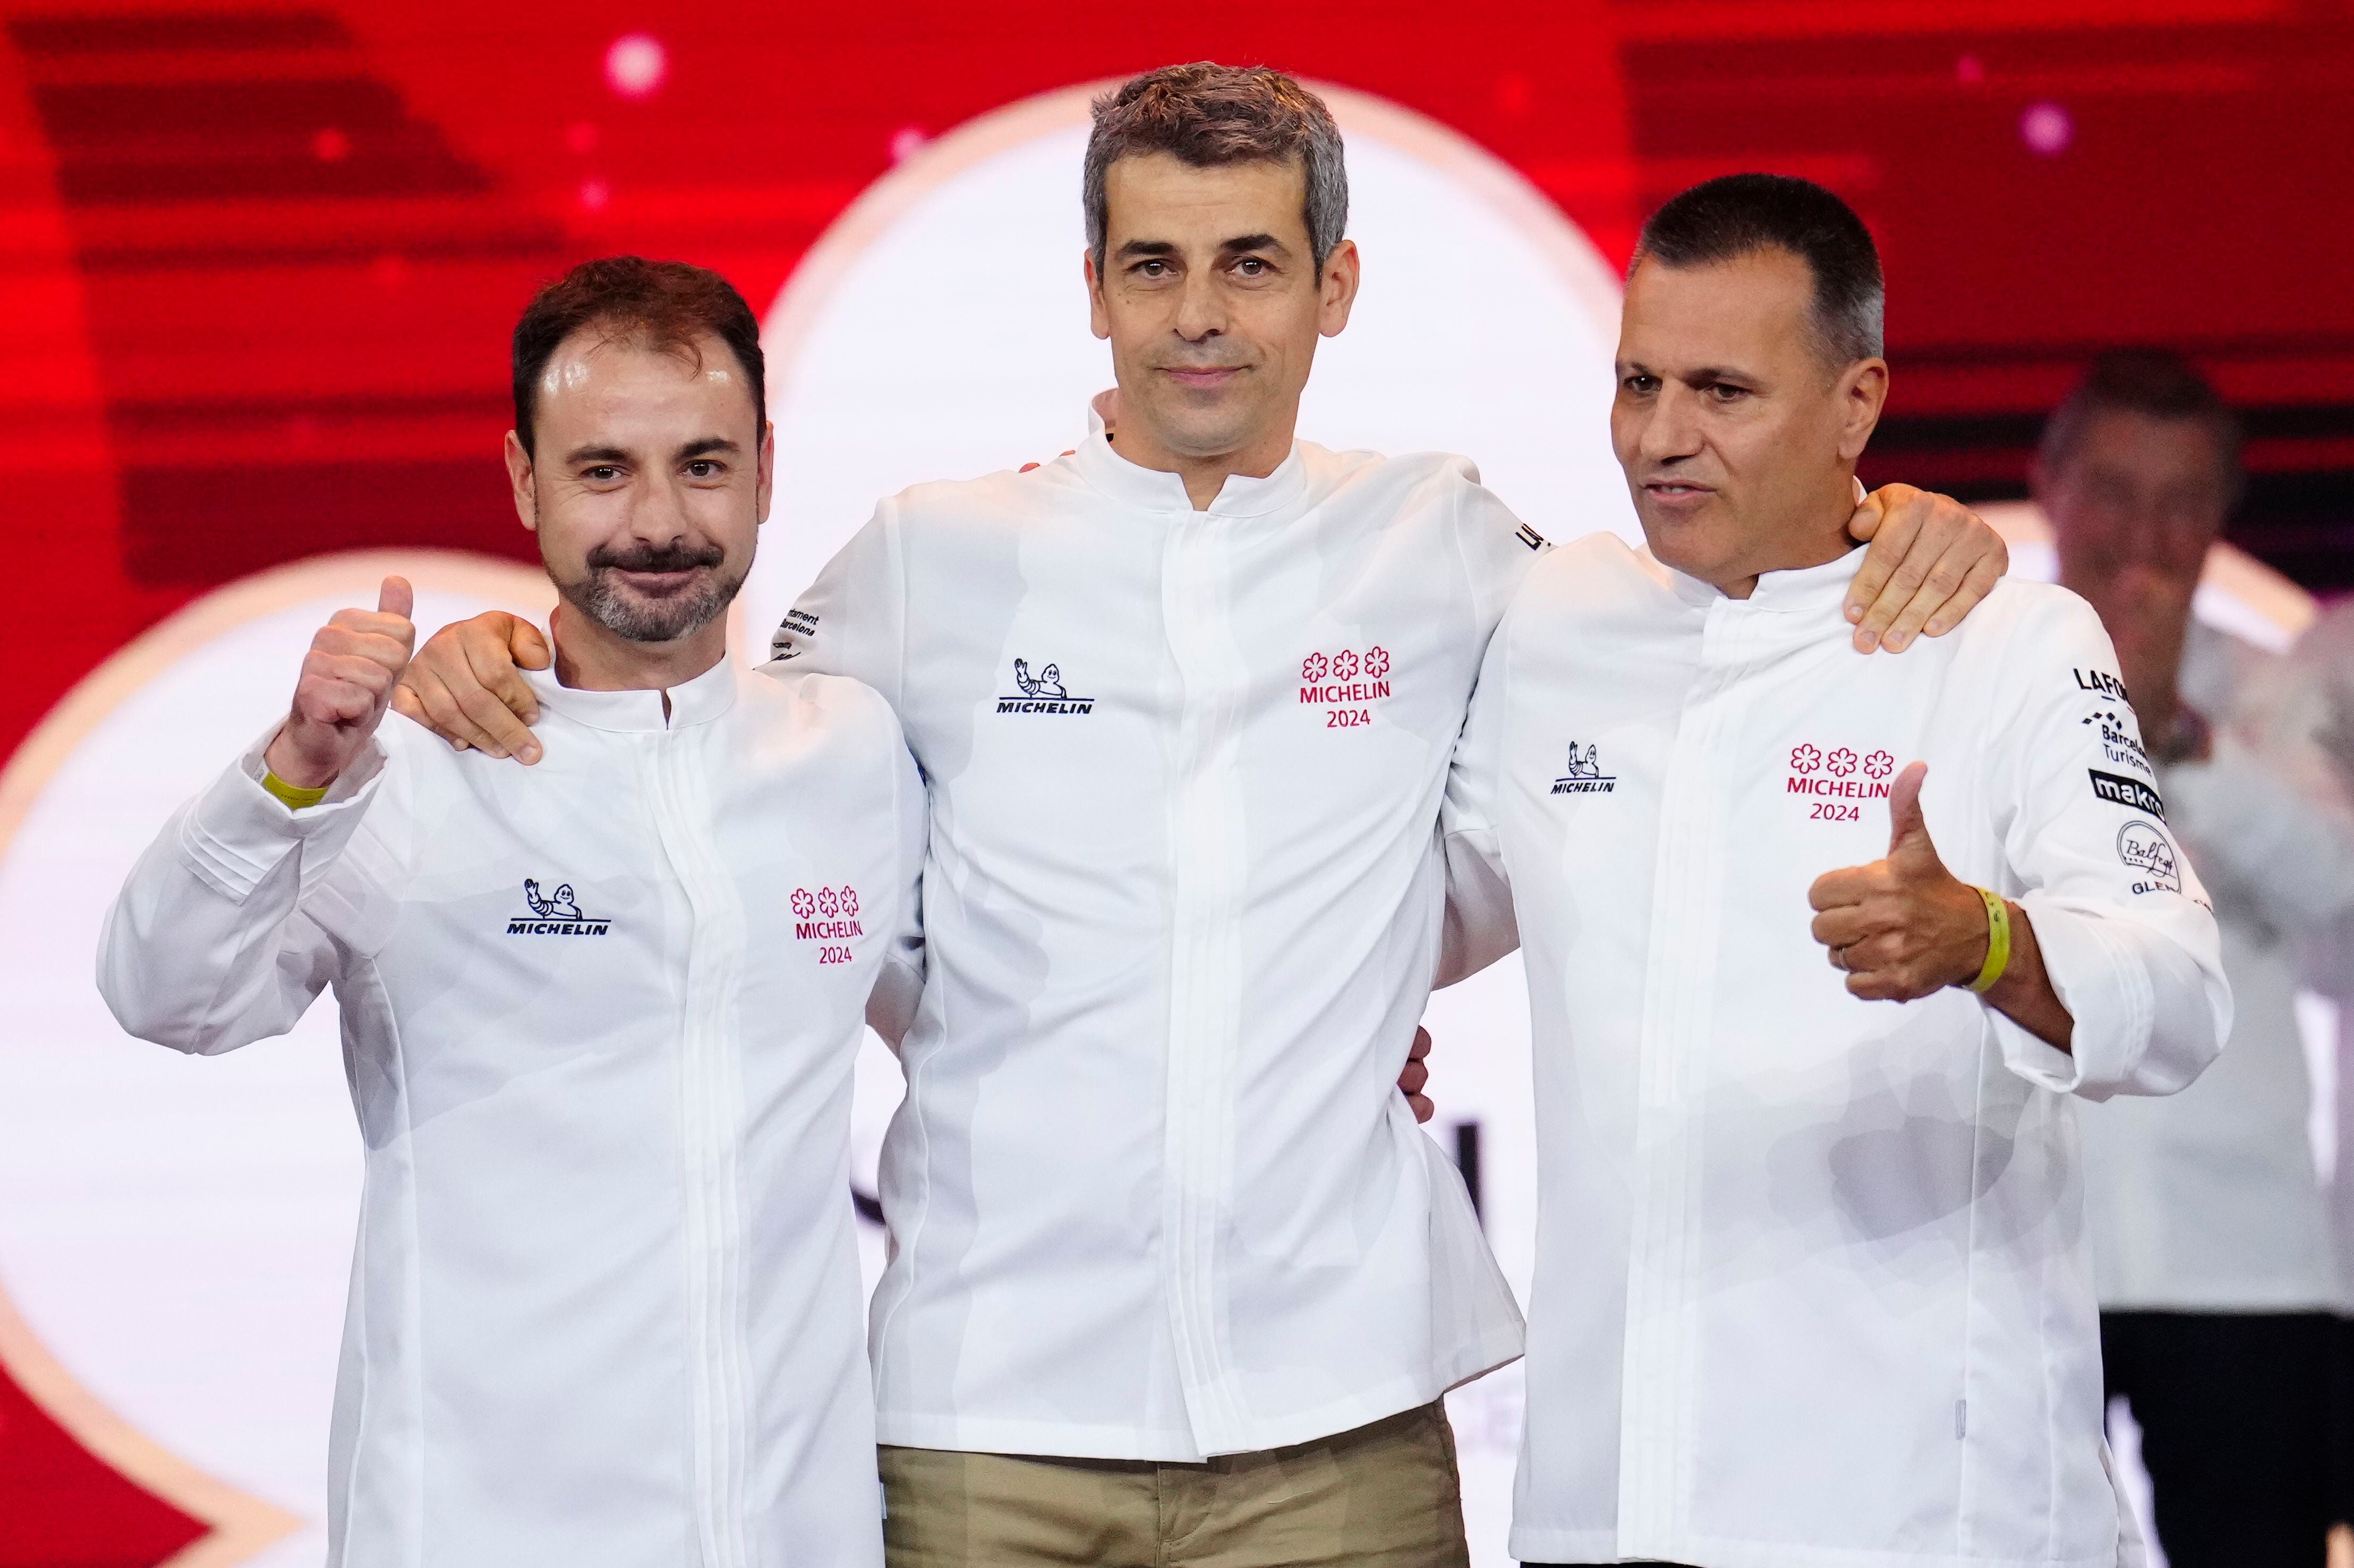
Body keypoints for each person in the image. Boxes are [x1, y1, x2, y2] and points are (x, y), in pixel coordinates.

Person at [390, 67, 2009, 1567]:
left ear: (1337, 287)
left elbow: (1684, 659)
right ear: (1091, 291)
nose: (1200, 319)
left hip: (1342, 1421)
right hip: (984, 1422)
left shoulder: (1446, 540)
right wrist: (510, 652)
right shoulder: (923, 559)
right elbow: (714, 757)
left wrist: (1880, 516)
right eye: (1153, 267)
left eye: (1250, 262)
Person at [1443, 176, 2230, 1567]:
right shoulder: (1554, 621)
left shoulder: (2009, 640)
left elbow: (2178, 993)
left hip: (1925, 1514)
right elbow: (1419, 904)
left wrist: (1989, 942)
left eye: (1723, 392)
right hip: (1605, 1510)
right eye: (1637, 383)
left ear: (1856, 404)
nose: (1661, 439)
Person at [96, 259, 923, 1567]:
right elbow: (168, 996)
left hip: (792, 1527)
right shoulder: (403, 765)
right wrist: (297, 762)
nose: (658, 521)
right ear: (522, 479)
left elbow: (1002, 1002)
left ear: (767, 467)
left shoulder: (852, 750)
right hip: (482, 1524)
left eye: (702, 465)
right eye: (602, 472)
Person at [2047, 352, 2354, 1568]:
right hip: (2025, 1234)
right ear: (2049, 487)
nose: (2143, 534)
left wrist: (2176, 731)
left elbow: (2338, 884)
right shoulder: (1952, 672)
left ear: (2222, 517)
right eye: (2113, 490)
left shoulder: (2277, 692)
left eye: (2181, 502)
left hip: (2244, 1261)